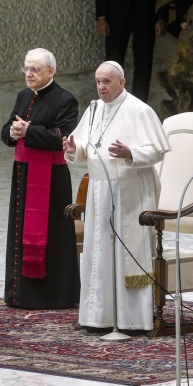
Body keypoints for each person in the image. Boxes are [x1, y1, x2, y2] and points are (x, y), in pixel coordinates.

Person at [63, 61, 170, 335]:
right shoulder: (95, 108)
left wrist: (130, 152)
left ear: (121, 82)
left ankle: (132, 321)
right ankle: (99, 317)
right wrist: (75, 147)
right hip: (100, 191)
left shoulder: (139, 110)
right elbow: (86, 145)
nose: (101, 87)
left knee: (127, 253)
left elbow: (157, 150)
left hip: (130, 192)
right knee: (99, 252)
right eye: (98, 81)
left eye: (107, 81)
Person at [0, 48, 80, 310]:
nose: (29, 74)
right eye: (26, 68)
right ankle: (20, 294)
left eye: (35, 69)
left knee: (53, 234)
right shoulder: (24, 96)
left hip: (52, 181)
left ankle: (54, 295)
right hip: (23, 176)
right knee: (20, 232)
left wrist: (28, 131)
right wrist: (12, 132)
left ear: (51, 71)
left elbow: (63, 137)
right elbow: (7, 130)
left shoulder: (65, 100)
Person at [95, 0, 159, 103]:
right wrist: (101, 16)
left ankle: (139, 106)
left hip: (146, 14)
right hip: (116, 14)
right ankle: (110, 104)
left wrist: (161, 16)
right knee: (113, 65)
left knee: (144, 64)